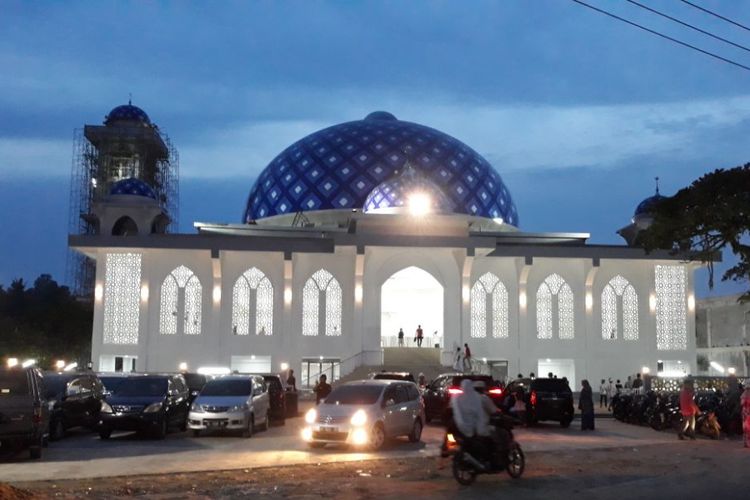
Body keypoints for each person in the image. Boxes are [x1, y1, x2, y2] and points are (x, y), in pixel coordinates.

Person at [450, 379, 501, 464]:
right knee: (494, 438)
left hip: (463, 427)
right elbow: (493, 410)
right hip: (479, 426)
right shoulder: (483, 398)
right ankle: (489, 458)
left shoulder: (461, 399)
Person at [741, 384, 750, 448]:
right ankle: (746, 443)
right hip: (746, 413)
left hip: (747, 413)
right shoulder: (744, 395)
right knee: (746, 428)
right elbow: (742, 403)